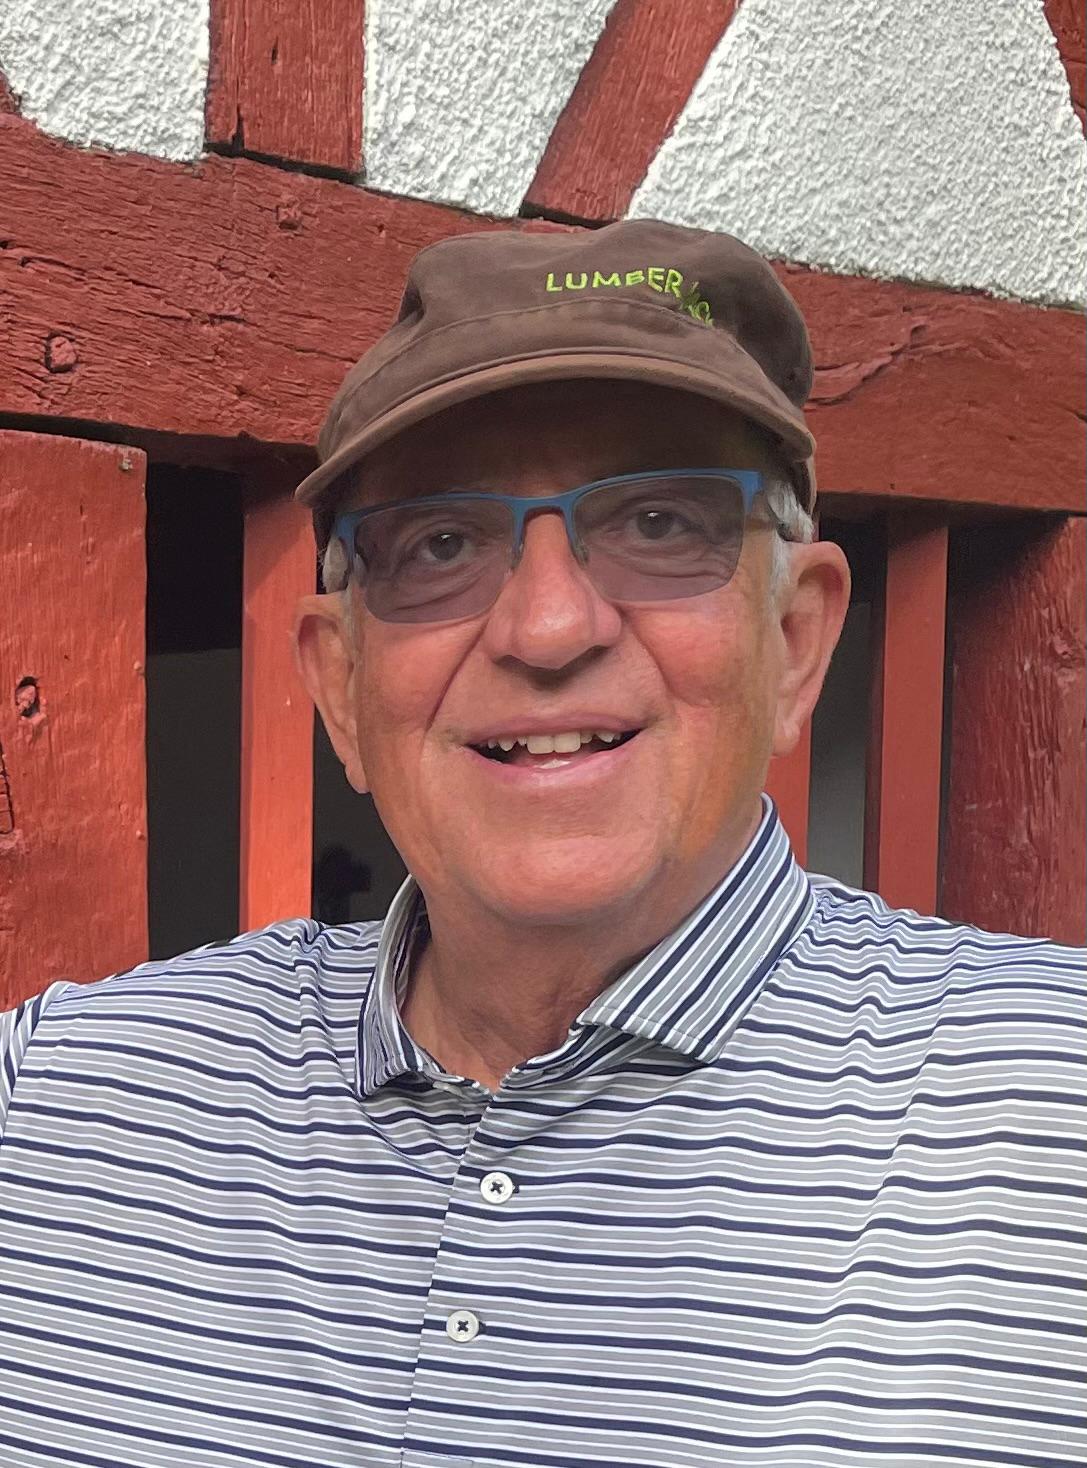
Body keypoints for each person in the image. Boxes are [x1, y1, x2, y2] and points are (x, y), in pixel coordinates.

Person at [0, 220, 1082, 1468]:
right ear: (340, 685)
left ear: (793, 641)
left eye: (659, 522)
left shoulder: (1051, 1116)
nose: (549, 624)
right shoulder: (61, 1101)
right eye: (440, 543)